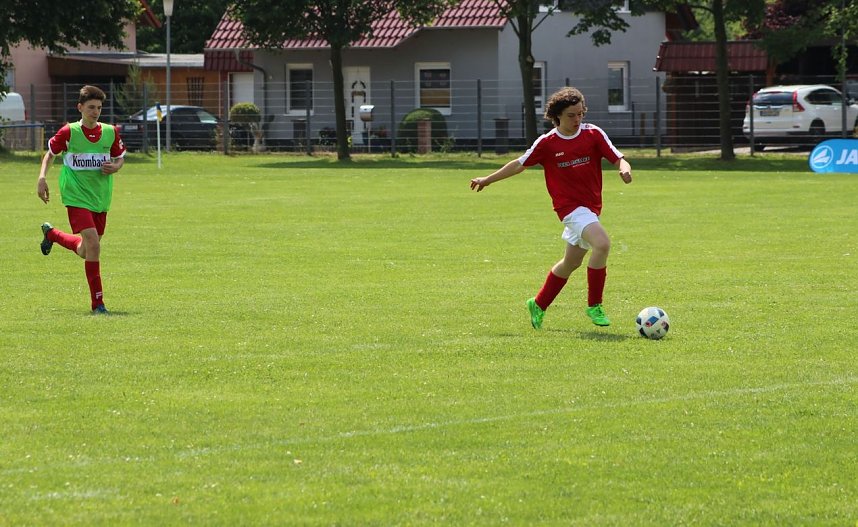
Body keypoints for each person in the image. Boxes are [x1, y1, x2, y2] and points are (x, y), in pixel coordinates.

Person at [470, 86, 632, 329]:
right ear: (557, 115)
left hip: (591, 208)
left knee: (571, 263)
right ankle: (594, 305)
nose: (577, 119)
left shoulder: (593, 134)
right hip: (569, 209)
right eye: (571, 115)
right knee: (603, 244)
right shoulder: (547, 143)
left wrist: (623, 167)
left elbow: (618, 157)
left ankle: (538, 303)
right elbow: (518, 165)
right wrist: (487, 179)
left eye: (580, 114)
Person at [36, 85, 127, 315]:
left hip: (100, 198)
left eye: (99, 108)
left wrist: (115, 167)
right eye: (91, 107)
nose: (95, 112)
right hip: (75, 196)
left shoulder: (110, 132)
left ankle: (52, 234)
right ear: (80, 108)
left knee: (86, 250)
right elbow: (50, 154)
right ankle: (98, 304)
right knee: (94, 245)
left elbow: (119, 159)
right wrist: (42, 177)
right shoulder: (69, 132)